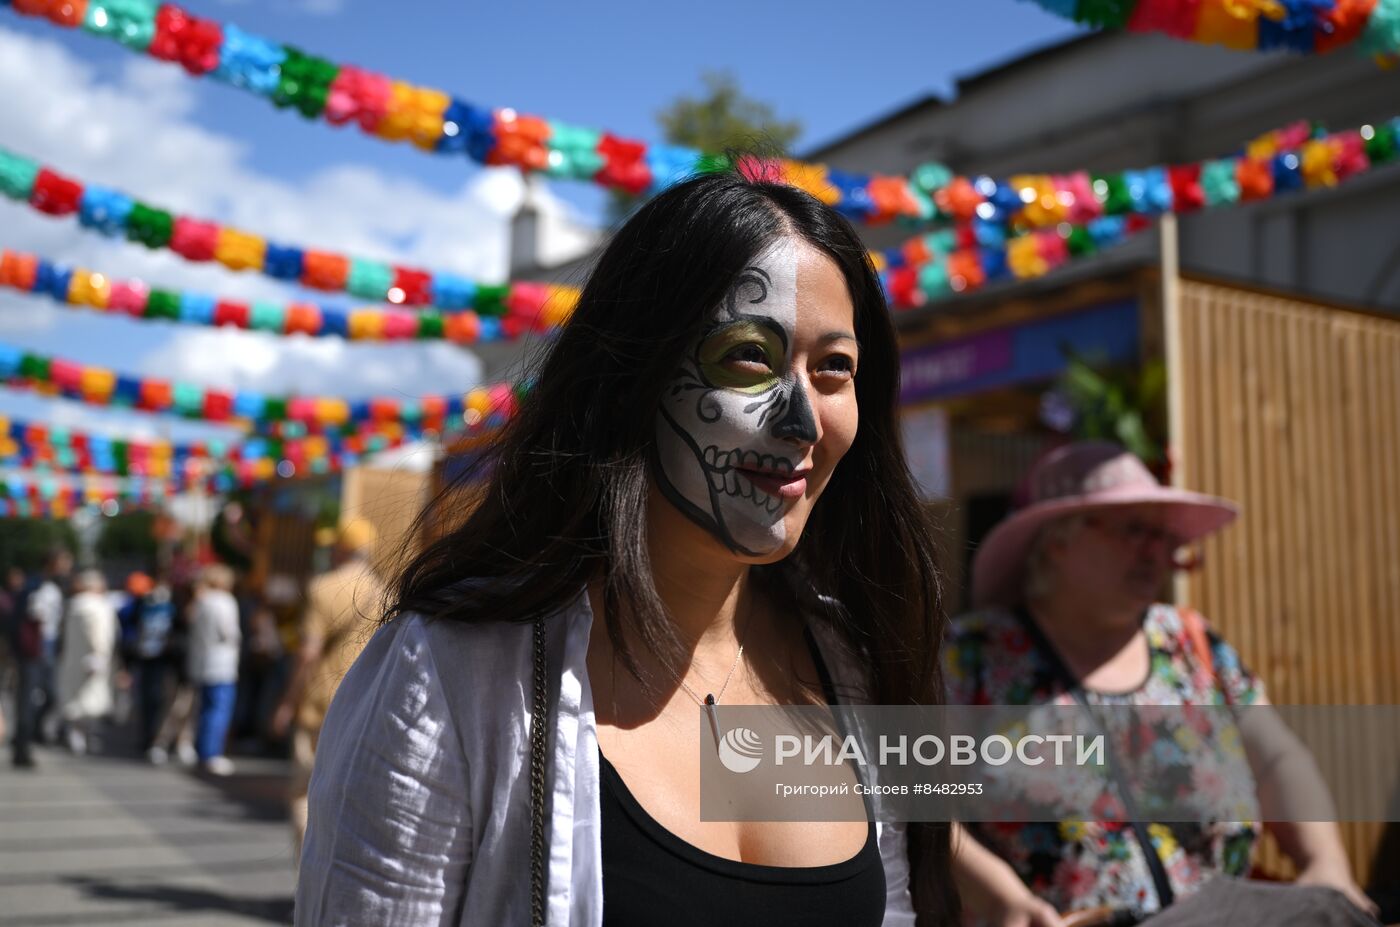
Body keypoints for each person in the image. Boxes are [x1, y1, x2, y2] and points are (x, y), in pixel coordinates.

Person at [295, 165, 960, 925]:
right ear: (634, 375)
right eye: (750, 356)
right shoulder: (455, 669)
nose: (804, 420)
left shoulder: (854, 664)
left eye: (834, 368)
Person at [943, 441, 1377, 926]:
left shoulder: (1192, 643)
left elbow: (1278, 759)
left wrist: (1327, 865)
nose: (1158, 551)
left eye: (1161, 534)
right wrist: (1000, 896)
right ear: (1056, 541)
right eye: (1133, 530)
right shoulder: (973, 656)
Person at [270, 517, 383, 863]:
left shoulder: (322, 587)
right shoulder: (386, 591)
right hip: (366, 704)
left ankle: (307, 877)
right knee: (350, 797)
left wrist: (287, 702)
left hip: (319, 703)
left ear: (342, 548)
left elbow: (308, 652)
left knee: (303, 792)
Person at [12, 549, 72, 767]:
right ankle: (22, 745)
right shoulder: (34, 586)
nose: (67, 567)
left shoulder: (59, 587)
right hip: (34, 648)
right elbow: (24, 619)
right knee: (27, 699)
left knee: (53, 696)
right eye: (64, 562)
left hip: (49, 648)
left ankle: (30, 731)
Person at [55, 570, 117, 755]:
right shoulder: (98, 606)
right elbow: (100, 636)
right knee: (90, 700)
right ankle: (85, 735)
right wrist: (99, 655)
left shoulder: (73, 605)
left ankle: (76, 734)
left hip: (73, 659)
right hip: (93, 659)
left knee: (76, 700)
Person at [187, 563, 241, 776]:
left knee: (204, 709)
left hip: (202, 662)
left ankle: (202, 751)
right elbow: (229, 632)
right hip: (221, 663)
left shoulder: (201, 601)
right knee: (218, 710)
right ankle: (212, 754)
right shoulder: (224, 601)